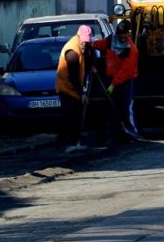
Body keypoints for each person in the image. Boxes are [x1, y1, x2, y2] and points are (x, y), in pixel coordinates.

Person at [92, 19, 141, 142]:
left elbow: (125, 71)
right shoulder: (111, 40)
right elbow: (102, 44)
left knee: (126, 107)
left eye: (124, 36)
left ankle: (132, 132)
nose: (122, 38)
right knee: (111, 107)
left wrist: (113, 85)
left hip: (126, 81)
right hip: (112, 78)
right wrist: (91, 45)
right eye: (120, 36)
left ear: (128, 34)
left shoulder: (130, 50)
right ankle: (115, 132)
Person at [56, 25, 94, 153]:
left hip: (75, 87)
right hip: (66, 87)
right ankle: (62, 143)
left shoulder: (85, 45)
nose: (85, 43)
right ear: (78, 37)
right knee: (69, 115)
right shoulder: (72, 51)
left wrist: (91, 66)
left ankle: (74, 141)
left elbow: (88, 57)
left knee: (76, 115)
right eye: (84, 41)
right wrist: (82, 93)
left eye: (88, 41)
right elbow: (73, 76)